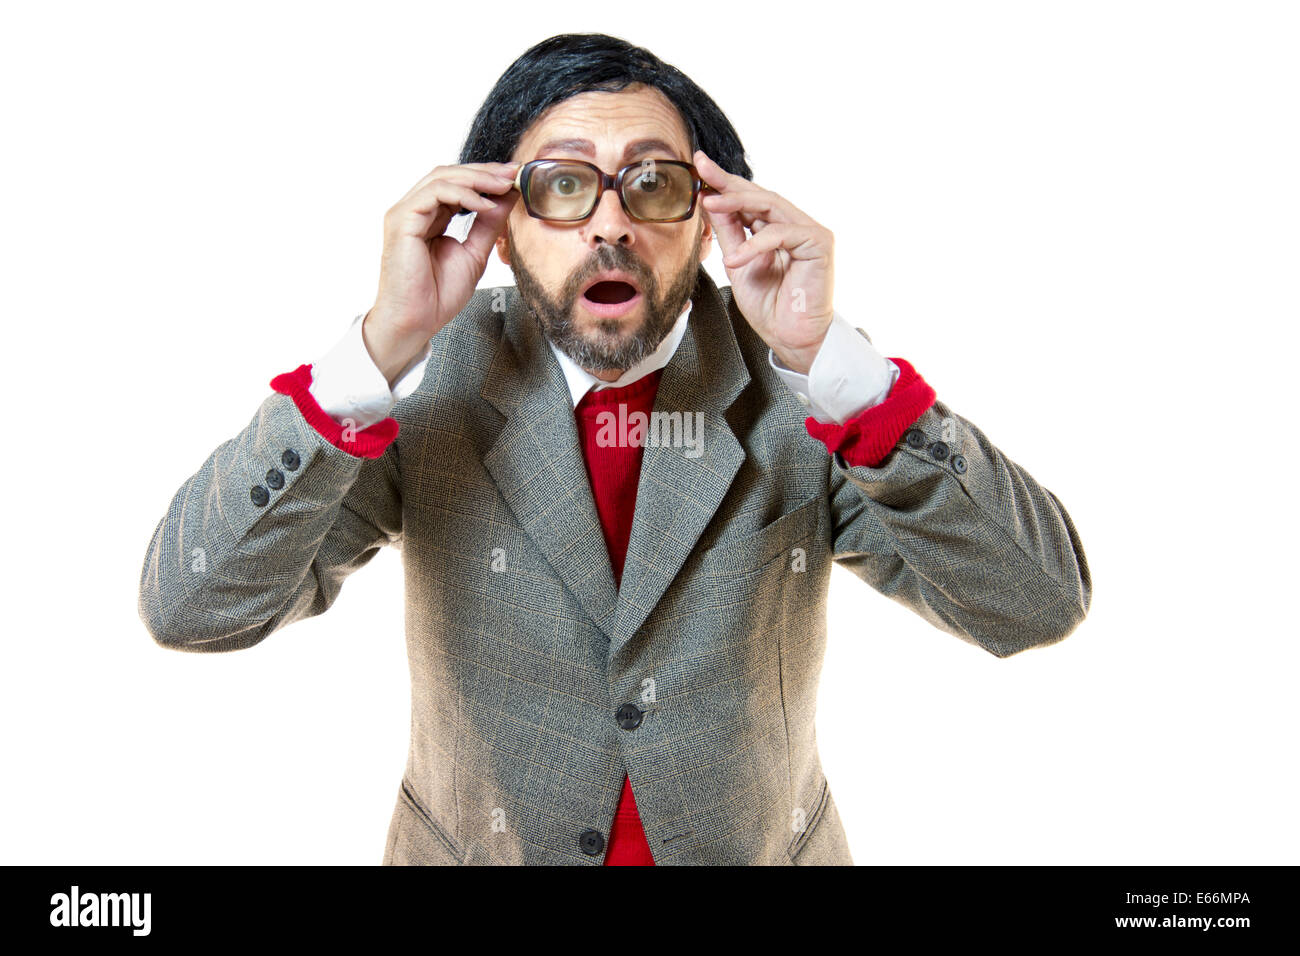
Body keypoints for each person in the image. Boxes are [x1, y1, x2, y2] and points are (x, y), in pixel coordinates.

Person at [138, 33, 1092, 865]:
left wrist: (834, 365)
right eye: (562, 184)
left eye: (653, 183)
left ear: (712, 221)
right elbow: (192, 607)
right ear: (499, 229)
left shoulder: (807, 394)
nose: (609, 223)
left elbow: (1035, 604)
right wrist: (375, 352)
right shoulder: (430, 384)